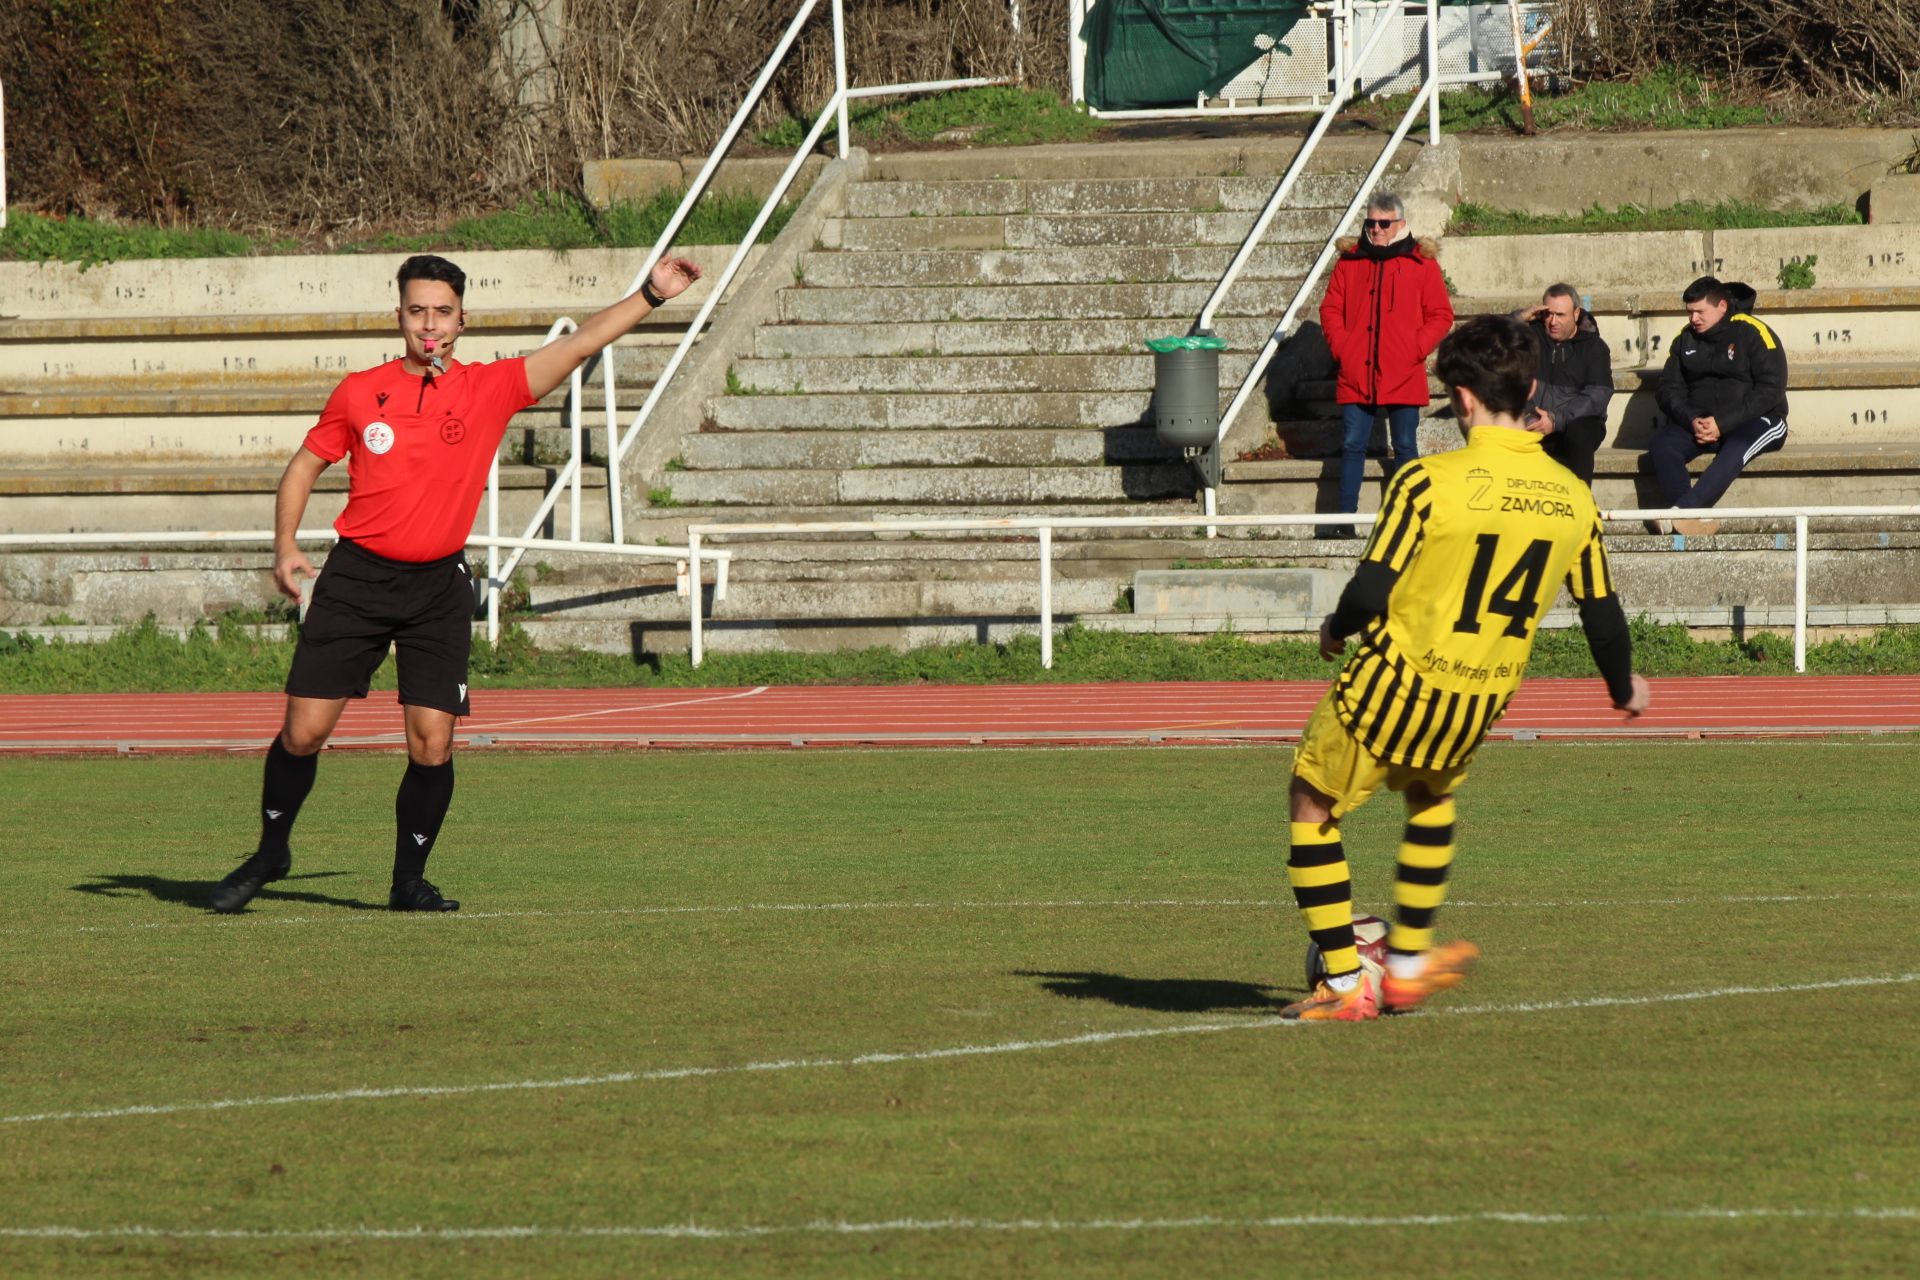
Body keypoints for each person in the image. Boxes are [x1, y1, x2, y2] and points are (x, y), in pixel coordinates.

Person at [210, 251, 703, 914]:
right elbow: (303, 467)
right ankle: (272, 850)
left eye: (442, 312)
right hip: (356, 578)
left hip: (436, 589)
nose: (429, 324)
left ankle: (408, 883)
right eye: (417, 311)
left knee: (432, 742)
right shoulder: (360, 392)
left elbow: (583, 341)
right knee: (302, 733)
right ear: (400, 318)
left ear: (462, 320)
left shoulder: (490, 388)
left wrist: (652, 292)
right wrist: (285, 545)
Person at [1280, 313, 1650, 1022]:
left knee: (1312, 805)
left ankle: (1343, 981)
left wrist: (1335, 628)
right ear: (1531, 387)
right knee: (1430, 800)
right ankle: (1410, 963)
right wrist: (1622, 686)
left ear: (1464, 399)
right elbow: (1602, 610)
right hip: (1479, 697)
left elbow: (1370, 591)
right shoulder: (1573, 497)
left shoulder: (1428, 481)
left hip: (1397, 680)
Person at [1317, 190, 1454, 538]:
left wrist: (1414, 348)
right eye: (1370, 222)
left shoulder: (1421, 263)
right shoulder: (1350, 261)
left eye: (1383, 223)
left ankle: (1407, 521)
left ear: (1400, 224)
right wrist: (1344, 349)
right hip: (1357, 370)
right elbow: (1330, 310)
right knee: (1352, 446)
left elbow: (1440, 315)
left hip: (1403, 371)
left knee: (1406, 446)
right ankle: (1342, 523)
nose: (1375, 229)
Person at [1646, 277, 1788, 537]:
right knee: (1663, 446)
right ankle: (1689, 521)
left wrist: (1722, 423)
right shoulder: (1684, 339)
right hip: (1701, 422)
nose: (1693, 319)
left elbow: (1771, 390)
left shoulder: (1754, 332)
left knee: (1737, 447)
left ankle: (1681, 513)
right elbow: (1668, 390)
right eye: (1690, 312)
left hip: (1757, 420)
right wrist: (1692, 419)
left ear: (1722, 306)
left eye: (1700, 311)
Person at [1513, 282, 1611, 485]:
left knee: (1580, 432)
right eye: (1548, 314)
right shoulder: (1530, 337)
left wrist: (1556, 420)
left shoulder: (1594, 347)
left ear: (1576, 314)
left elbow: (1597, 396)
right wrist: (1519, 318)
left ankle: (1580, 501)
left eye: (1561, 315)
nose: (1553, 322)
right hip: (1534, 420)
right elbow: (1484, 337)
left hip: (1574, 423)